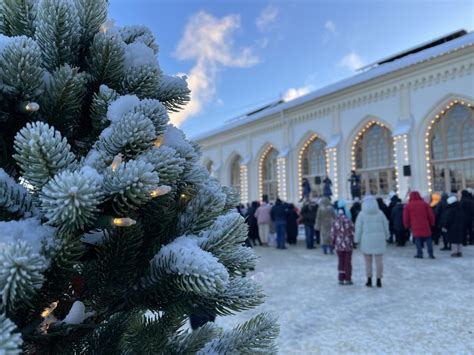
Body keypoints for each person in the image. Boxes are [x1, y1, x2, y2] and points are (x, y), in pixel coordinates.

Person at [355, 196, 389, 288]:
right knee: (379, 262)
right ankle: (379, 280)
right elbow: (386, 225)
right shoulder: (380, 213)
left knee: (368, 261)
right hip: (379, 240)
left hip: (366, 240)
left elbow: (358, 228)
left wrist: (356, 240)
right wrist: (387, 236)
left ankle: (369, 280)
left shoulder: (362, 214)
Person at [403, 191, 436, 259]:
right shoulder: (425, 204)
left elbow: (406, 217)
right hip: (425, 223)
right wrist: (432, 222)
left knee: (417, 239)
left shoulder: (408, 205)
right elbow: (431, 215)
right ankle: (431, 253)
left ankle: (419, 253)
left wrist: (406, 225)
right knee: (428, 238)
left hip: (415, 224)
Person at [332, 203, 355, 285]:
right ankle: (348, 278)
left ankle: (341, 278)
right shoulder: (349, 221)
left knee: (340, 261)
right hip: (348, 244)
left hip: (339, 244)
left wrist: (333, 243)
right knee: (348, 262)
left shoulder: (335, 222)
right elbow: (353, 232)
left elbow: (333, 234)